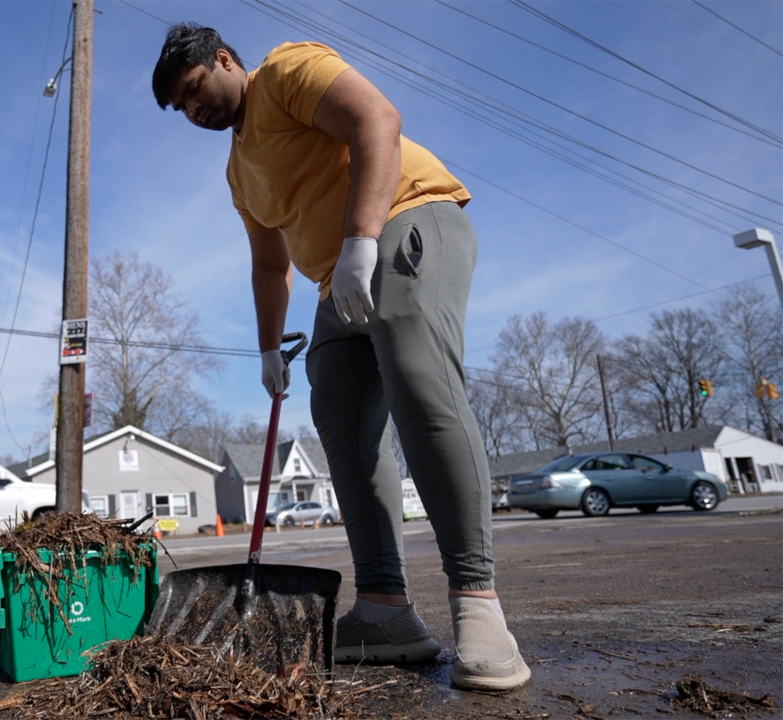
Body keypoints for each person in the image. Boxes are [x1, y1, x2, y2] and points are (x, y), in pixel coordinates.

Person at [151, 24, 529, 691]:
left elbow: (376, 119)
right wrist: (269, 350)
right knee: (341, 420)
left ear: (224, 60)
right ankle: (386, 611)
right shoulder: (240, 172)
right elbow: (270, 265)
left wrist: (362, 238)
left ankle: (478, 603)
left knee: (418, 381)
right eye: (181, 107)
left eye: (194, 89)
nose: (193, 109)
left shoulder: (286, 72)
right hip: (338, 281)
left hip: (408, 219)